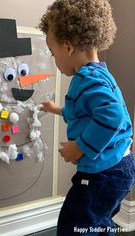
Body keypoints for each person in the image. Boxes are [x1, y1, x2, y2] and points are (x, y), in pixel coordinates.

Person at [38, 0, 135, 235]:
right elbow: (87, 113)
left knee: (75, 226)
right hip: (118, 167)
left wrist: (79, 148)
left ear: (68, 47)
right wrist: (56, 109)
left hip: (103, 174)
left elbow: (113, 116)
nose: (55, 60)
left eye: (53, 52)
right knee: (97, 221)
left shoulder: (88, 79)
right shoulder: (98, 73)